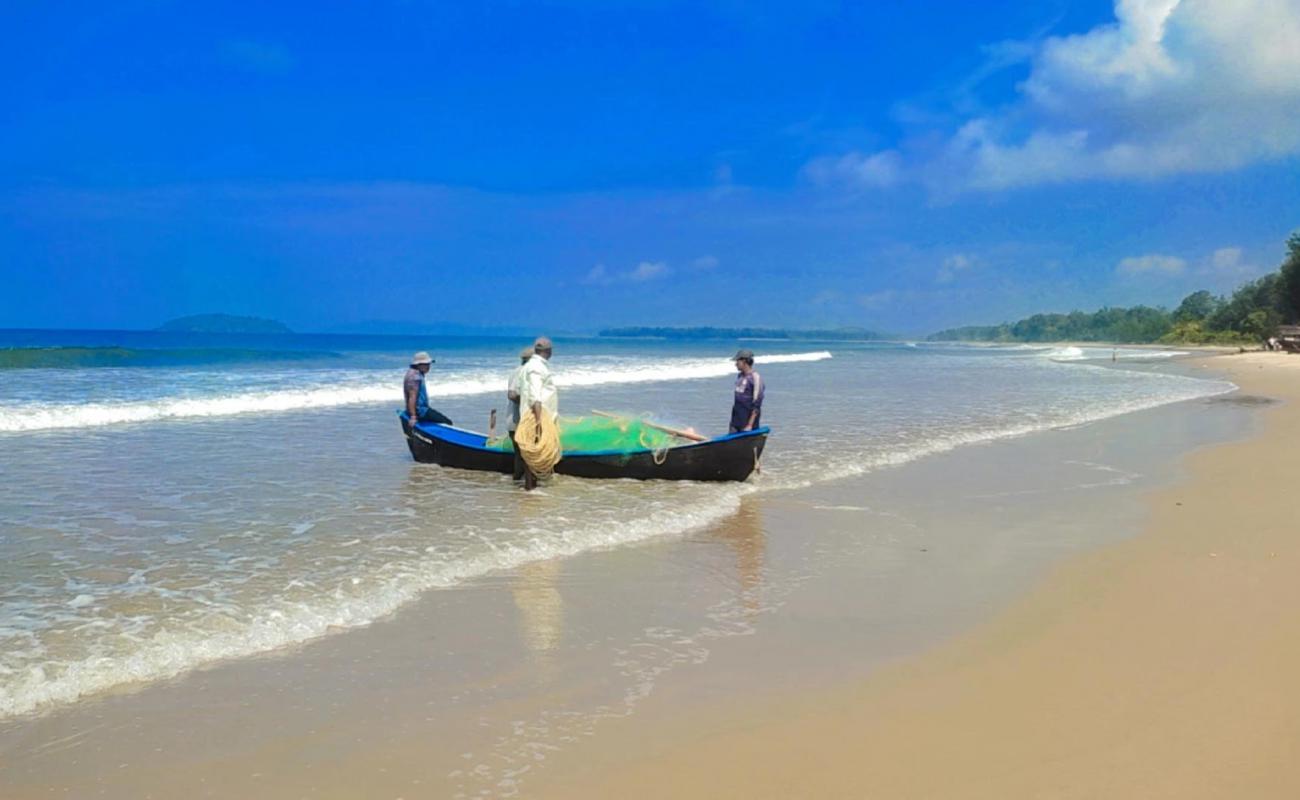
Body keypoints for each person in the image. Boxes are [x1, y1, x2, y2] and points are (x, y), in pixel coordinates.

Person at [518, 336, 558, 490]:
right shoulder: (536, 367)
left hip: (539, 414)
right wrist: (540, 420)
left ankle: (532, 487)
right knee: (533, 453)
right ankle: (531, 489)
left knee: (535, 453)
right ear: (549, 351)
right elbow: (535, 396)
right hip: (536, 416)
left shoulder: (534, 366)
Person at [404, 351, 453, 426]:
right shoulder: (415, 377)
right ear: (418, 364)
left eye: (429, 364)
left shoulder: (414, 373)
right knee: (448, 422)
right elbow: (412, 397)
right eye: (426, 364)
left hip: (420, 409)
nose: (428, 367)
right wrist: (413, 416)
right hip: (420, 411)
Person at [507, 345, 533, 480]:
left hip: (515, 421)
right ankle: (525, 487)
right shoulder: (524, 372)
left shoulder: (516, 371)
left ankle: (517, 489)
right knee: (525, 456)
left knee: (520, 456)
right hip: (519, 421)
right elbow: (511, 395)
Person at [729, 349, 764, 433]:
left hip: (747, 422)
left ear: (744, 361)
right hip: (736, 420)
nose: (735, 364)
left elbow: (757, 404)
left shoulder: (755, 378)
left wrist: (749, 425)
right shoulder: (740, 376)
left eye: (737, 361)